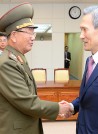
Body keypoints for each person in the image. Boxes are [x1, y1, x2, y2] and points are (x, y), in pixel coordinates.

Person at [0, 3, 71, 134]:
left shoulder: (17, 58)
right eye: (29, 32)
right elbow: (27, 102)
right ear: (14, 36)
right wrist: (58, 108)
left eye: (34, 32)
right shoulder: (6, 63)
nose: (33, 37)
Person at [61, 5, 98, 134]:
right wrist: (72, 106)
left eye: (84, 30)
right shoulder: (90, 61)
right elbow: (89, 96)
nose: (81, 36)